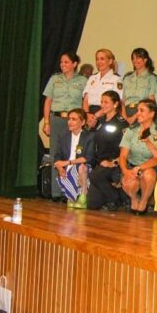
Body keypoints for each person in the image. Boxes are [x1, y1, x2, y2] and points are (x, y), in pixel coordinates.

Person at [42, 51, 88, 201]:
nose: (63, 65)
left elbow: (85, 101)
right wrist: (47, 122)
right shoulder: (55, 79)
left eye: (66, 62)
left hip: (73, 120)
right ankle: (57, 192)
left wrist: (83, 120)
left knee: (72, 154)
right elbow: (48, 101)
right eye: (61, 62)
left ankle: (70, 191)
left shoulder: (82, 80)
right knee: (56, 153)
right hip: (56, 118)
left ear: (75, 64)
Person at [119, 99, 157, 215]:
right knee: (128, 182)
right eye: (137, 110)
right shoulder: (131, 131)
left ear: (152, 114)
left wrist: (139, 168)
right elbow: (123, 156)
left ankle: (144, 201)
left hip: (149, 167)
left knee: (148, 175)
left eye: (142, 110)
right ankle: (134, 199)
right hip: (131, 165)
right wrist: (125, 171)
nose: (137, 113)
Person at [85, 91, 128, 210]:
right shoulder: (101, 121)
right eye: (101, 102)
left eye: (106, 102)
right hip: (100, 162)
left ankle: (116, 199)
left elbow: (126, 148)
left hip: (114, 163)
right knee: (92, 204)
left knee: (94, 175)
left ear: (115, 104)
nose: (102, 105)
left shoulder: (121, 123)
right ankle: (112, 195)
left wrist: (113, 162)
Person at [52, 109, 95, 209]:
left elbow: (88, 158)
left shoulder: (89, 136)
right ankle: (72, 197)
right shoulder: (63, 136)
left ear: (83, 122)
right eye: (69, 119)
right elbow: (57, 155)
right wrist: (59, 168)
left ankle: (83, 195)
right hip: (67, 167)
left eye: (74, 119)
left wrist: (68, 162)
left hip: (83, 166)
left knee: (81, 168)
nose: (70, 122)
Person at [83, 48, 122, 122]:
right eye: (97, 59)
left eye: (102, 59)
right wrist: (86, 114)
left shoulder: (116, 79)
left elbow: (116, 101)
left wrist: (96, 116)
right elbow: (86, 99)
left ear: (110, 61)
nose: (99, 62)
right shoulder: (92, 78)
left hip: (104, 114)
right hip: (88, 114)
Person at [122, 48, 157, 125]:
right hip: (126, 112)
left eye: (138, 58)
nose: (135, 61)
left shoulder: (152, 78)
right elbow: (122, 100)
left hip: (142, 113)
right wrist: (124, 117)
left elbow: (151, 101)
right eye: (133, 58)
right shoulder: (127, 78)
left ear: (145, 60)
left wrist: (135, 116)